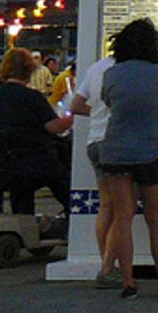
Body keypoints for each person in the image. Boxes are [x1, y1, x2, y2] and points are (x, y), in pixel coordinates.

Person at [99, 18, 158, 298]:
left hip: (115, 150)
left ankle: (128, 283)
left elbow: (109, 104)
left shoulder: (112, 74)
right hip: (149, 151)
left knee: (123, 218)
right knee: (156, 218)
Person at [0, 48, 72, 229]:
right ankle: (76, 217)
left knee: (22, 181)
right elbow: (54, 127)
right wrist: (73, 117)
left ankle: (25, 224)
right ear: (29, 71)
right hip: (30, 163)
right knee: (61, 174)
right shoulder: (32, 98)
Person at [66, 42, 120, 287]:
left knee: (106, 205)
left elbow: (75, 106)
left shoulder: (96, 68)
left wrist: (97, 114)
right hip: (117, 144)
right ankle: (109, 267)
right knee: (123, 208)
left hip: (94, 143)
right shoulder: (127, 70)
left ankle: (105, 264)